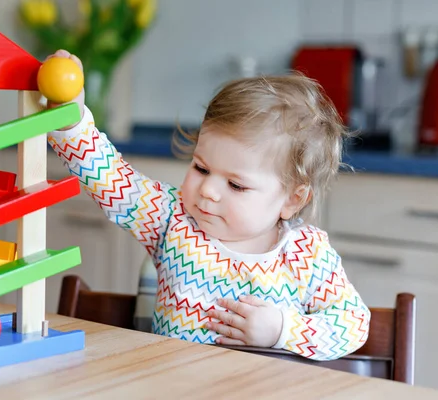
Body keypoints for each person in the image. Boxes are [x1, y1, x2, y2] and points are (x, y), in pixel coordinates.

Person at [44, 49, 370, 361]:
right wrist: (71, 123)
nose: (209, 190)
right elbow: (113, 180)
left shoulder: (307, 254)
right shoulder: (174, 218)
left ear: (292, 200)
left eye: (236, 184)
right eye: (201, 168)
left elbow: (353, 323)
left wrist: (283, 329)